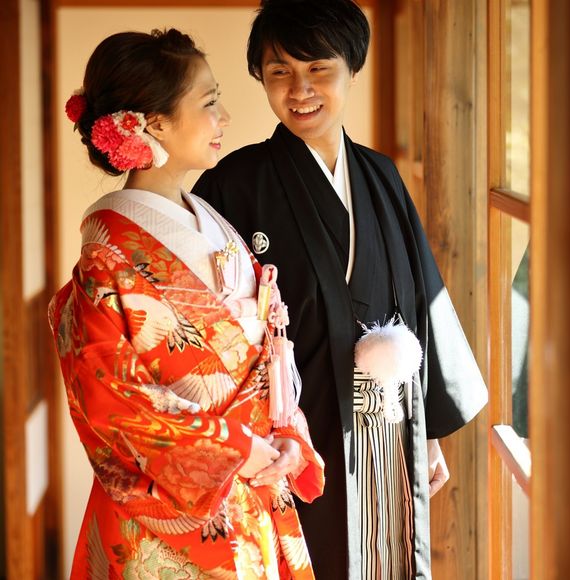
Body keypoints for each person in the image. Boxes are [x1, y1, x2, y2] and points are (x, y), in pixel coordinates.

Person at [193, 1, 488, 578]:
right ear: (261, 78)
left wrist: (428, 431)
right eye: (280, 71)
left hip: (389, 426)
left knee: (386, 556)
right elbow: (209, 327)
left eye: (318, 69)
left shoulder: (381, 175)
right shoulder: (232, 185)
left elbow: (419, 300)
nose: (299, 89)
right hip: (291, 439)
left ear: (352, 68)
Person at [49, 28, 325, 579]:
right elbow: (114, 404)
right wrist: (234, 446)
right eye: (209, 102)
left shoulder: (212, 223)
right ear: (153, 124)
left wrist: (287, 434)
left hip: (253, 487)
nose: (224, 117)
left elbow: (268, 353)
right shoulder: (106, 258)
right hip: (172, 516)